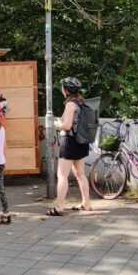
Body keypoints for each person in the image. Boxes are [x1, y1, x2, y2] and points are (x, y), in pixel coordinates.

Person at [47, 77, 93, 216]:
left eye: (62, 87)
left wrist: (57, 124)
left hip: (70, 142)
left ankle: (60, 207)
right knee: (80, 174)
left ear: (66, 90)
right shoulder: (81, 102)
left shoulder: (70, 104)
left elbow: (67, 126)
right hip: (81, 141)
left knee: (62, 175)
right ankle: (87, 204)